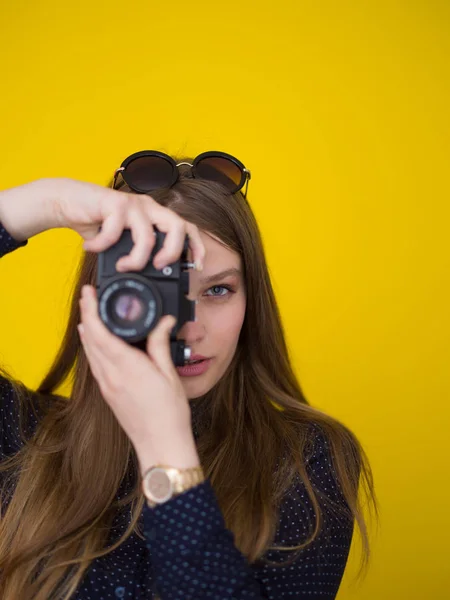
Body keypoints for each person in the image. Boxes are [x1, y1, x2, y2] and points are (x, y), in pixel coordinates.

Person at [0, 150, 378, 600]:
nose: (189, 327)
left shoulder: (305, 462)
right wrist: (45, 203)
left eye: (218, 289)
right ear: (103, 299)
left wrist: (166, 450)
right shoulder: (23, 435)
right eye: (161, 291)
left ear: (250, 302)